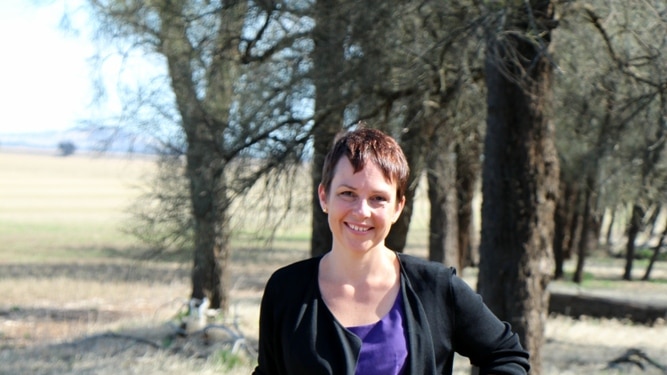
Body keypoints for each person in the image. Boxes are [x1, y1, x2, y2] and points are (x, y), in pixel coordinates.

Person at [252, 127, 530, 375]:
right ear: (324, 196)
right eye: (347, 193)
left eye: (378, 198)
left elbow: (506, 355)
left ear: (398, 207)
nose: (362, 212)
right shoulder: (285, 290)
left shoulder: (435, 288)